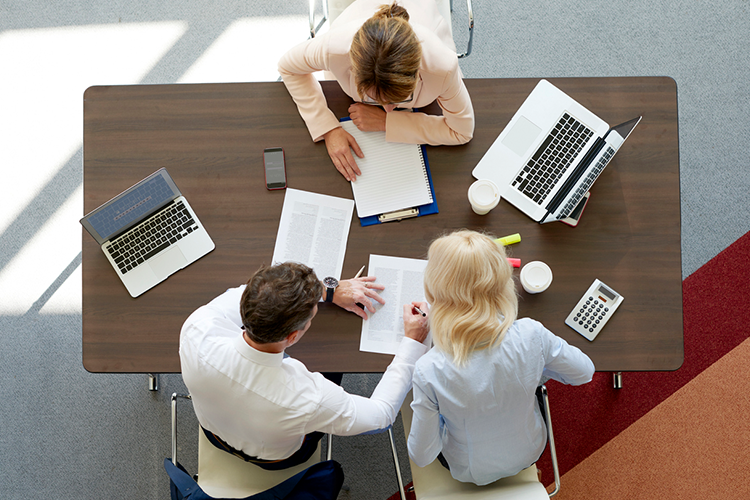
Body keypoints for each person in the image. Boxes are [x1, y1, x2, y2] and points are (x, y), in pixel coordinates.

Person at [180, 261, 430, 470]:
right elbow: (381, 417)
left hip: (214, 432)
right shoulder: (309, 397)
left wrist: (329, 290)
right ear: (292, 337)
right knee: (333, 362)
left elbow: (246, 292)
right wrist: (412, 344)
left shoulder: (197, 329)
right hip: (275, 458)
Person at [407, 230, 595, 485]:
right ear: (503, 282)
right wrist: (536, 368)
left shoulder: (428, 369)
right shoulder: (532, 334)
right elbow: (584, 373)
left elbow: (422, 455)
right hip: (530, 450)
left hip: (469, 470)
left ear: (434, 293)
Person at [278, 0, 474, 181]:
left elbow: (462, 131)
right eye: (374, 98)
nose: (388, 109)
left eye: (398, 99)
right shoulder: (335, 48)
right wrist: (328, 128)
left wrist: (387, 122)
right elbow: (288, 66)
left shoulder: (442, 66)